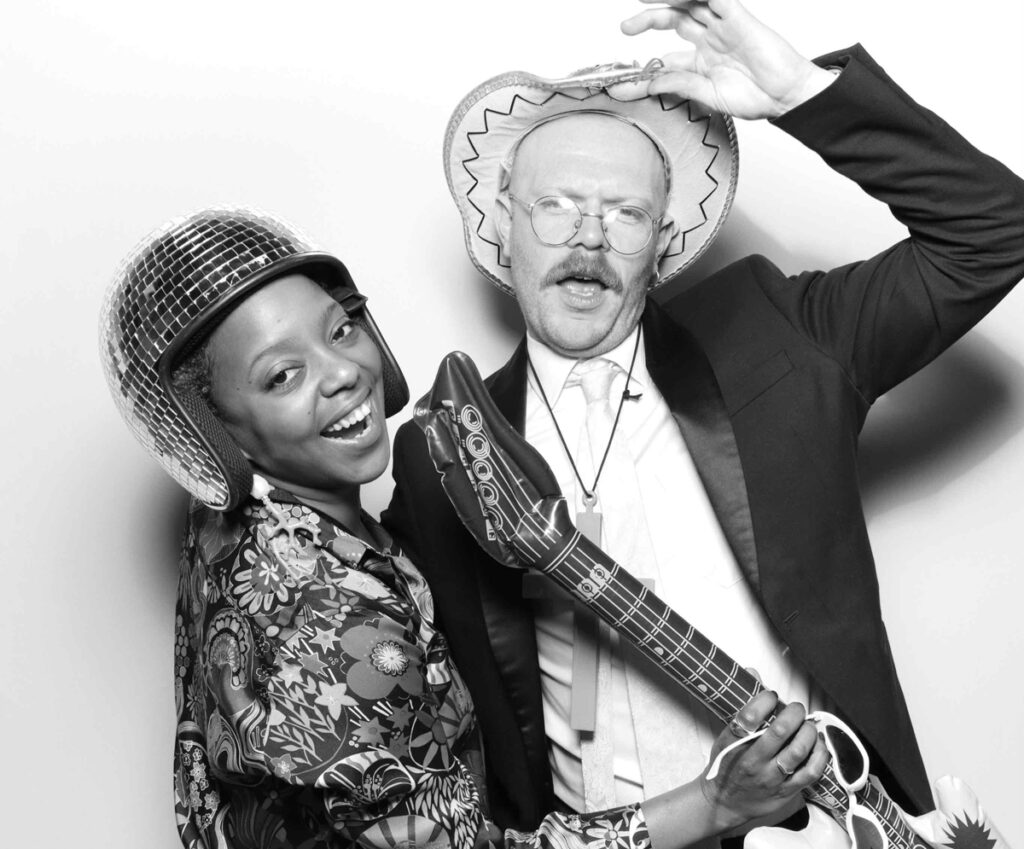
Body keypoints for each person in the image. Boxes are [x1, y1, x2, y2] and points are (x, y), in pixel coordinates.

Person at [381, 0, 1024, 840]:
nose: (588, 239)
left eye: (626, 213)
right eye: (557, 205)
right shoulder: (441, 451)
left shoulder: (775, 336)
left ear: (662, 237)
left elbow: (995, 229)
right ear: (502, 219)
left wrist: (803, 92)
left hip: (827, 826)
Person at [98, 207, 830, 849]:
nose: (344, 371)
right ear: (217, 436)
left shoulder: (229, 526)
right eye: (280, 376)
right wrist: (715, 801)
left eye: (340, 328)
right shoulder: (337, 611)